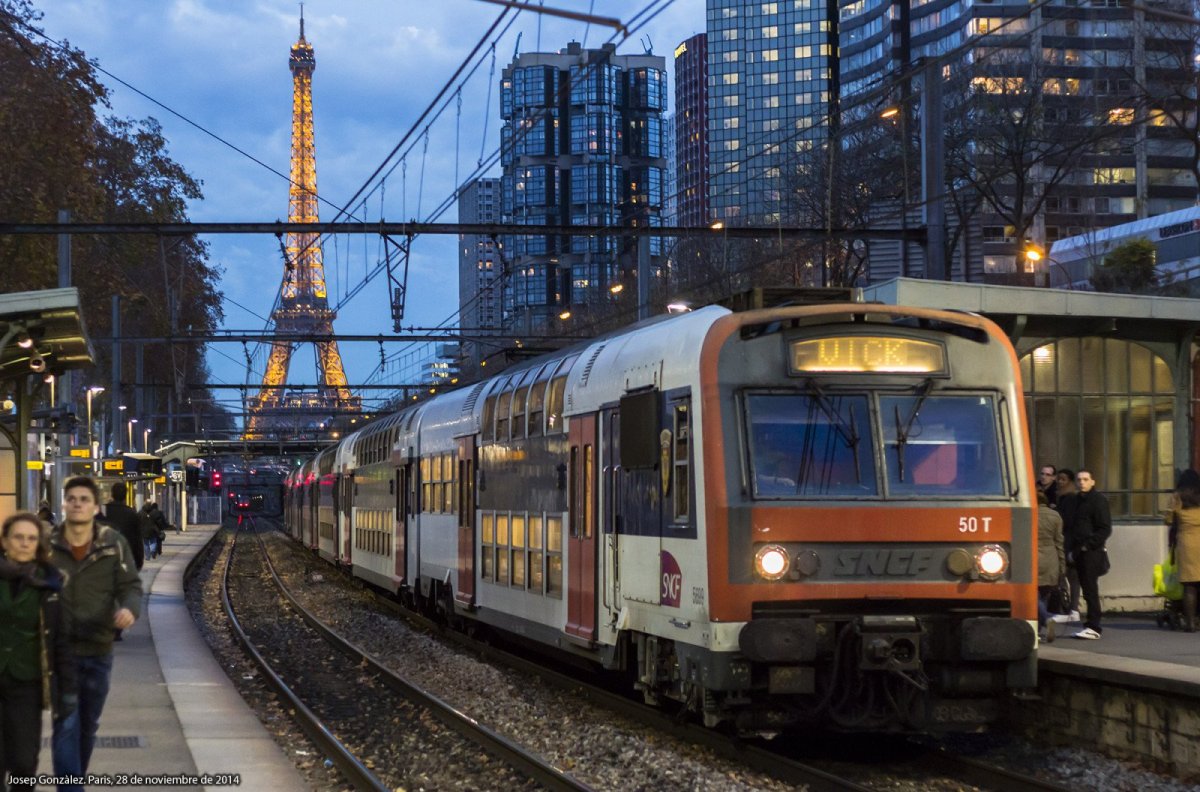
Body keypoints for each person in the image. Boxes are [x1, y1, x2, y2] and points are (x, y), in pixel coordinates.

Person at [49, 476, 143, 790]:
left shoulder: (112, 543)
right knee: (66, 724)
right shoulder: (47, 546)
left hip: (98, 649)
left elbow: (130, 586)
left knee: (87, 726)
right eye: (72, 499)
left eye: (84, 499)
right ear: (64, 504)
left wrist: (129, 609)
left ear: (95, 507)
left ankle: (75, 778)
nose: (77, 504)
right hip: (60, 651)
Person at [0, 513, 76, 791]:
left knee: (23, 762)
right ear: (5, 542)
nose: (24, 543)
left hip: (27, 682)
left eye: (31, 538)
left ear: (38, 544)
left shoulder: (50, 583)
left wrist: (68, 690)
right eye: (18, 537)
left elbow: (61, 641)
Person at [1071, 469, 1112, 640]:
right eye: (1079, 479)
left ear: (1092, 481)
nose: (1082, 482)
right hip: (1080, 550)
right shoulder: (1077, 501)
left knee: (1090, 588)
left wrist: (1088, 545)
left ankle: (1094, 625)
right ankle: (1090, 624)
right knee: (1087, 587)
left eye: (1085, 479)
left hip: (1091, 551)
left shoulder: (1098, 500)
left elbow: (1105, 528)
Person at [1166, 469, 1200, 631]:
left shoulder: (1176, 497)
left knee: (1189, 585)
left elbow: (1168, 520)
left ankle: (1190, 624)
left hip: (1187, 544)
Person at [1051, 468, 1082, 624]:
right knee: (1067, 576)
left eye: (1063, 479)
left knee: (1071, 576)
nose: (1060, 482)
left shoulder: (1069, 499)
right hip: (1067, 541)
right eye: (1059, 479)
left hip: (1069, 542)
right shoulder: (1063, 497)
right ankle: (1071, 607)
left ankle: (1073, 608)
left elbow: (1067, 521)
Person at [1036, 490, 1066, 643]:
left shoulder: (1027, 515)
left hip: (1032, 557)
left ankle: (1045, 619)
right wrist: (1062, 566)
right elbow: (1059, 543)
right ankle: (1038, 629)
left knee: (1033, 597)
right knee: (1044, 595)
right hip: (1050, 558)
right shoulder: (1055, 516)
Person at [101, 483, 144, 572]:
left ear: (112, 494)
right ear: (125, 495)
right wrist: (139, 562)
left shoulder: (103, 511)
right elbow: (138, 540)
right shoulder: (132, 513)